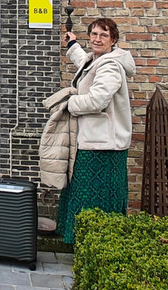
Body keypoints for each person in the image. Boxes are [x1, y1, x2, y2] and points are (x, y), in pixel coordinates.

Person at [54, 17, 135, 246]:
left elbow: (97, 101)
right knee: (86, 197)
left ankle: (96, 246)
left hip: (103, 147)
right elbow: (85, 63)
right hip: (93, 142)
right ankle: (87, 247)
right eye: (94, 34)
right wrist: (72, 44)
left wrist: (69, 104)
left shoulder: (110, 66)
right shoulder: (97, 60)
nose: (97, 39)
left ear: (113, 40)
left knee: (94, 200)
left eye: (104, 35)